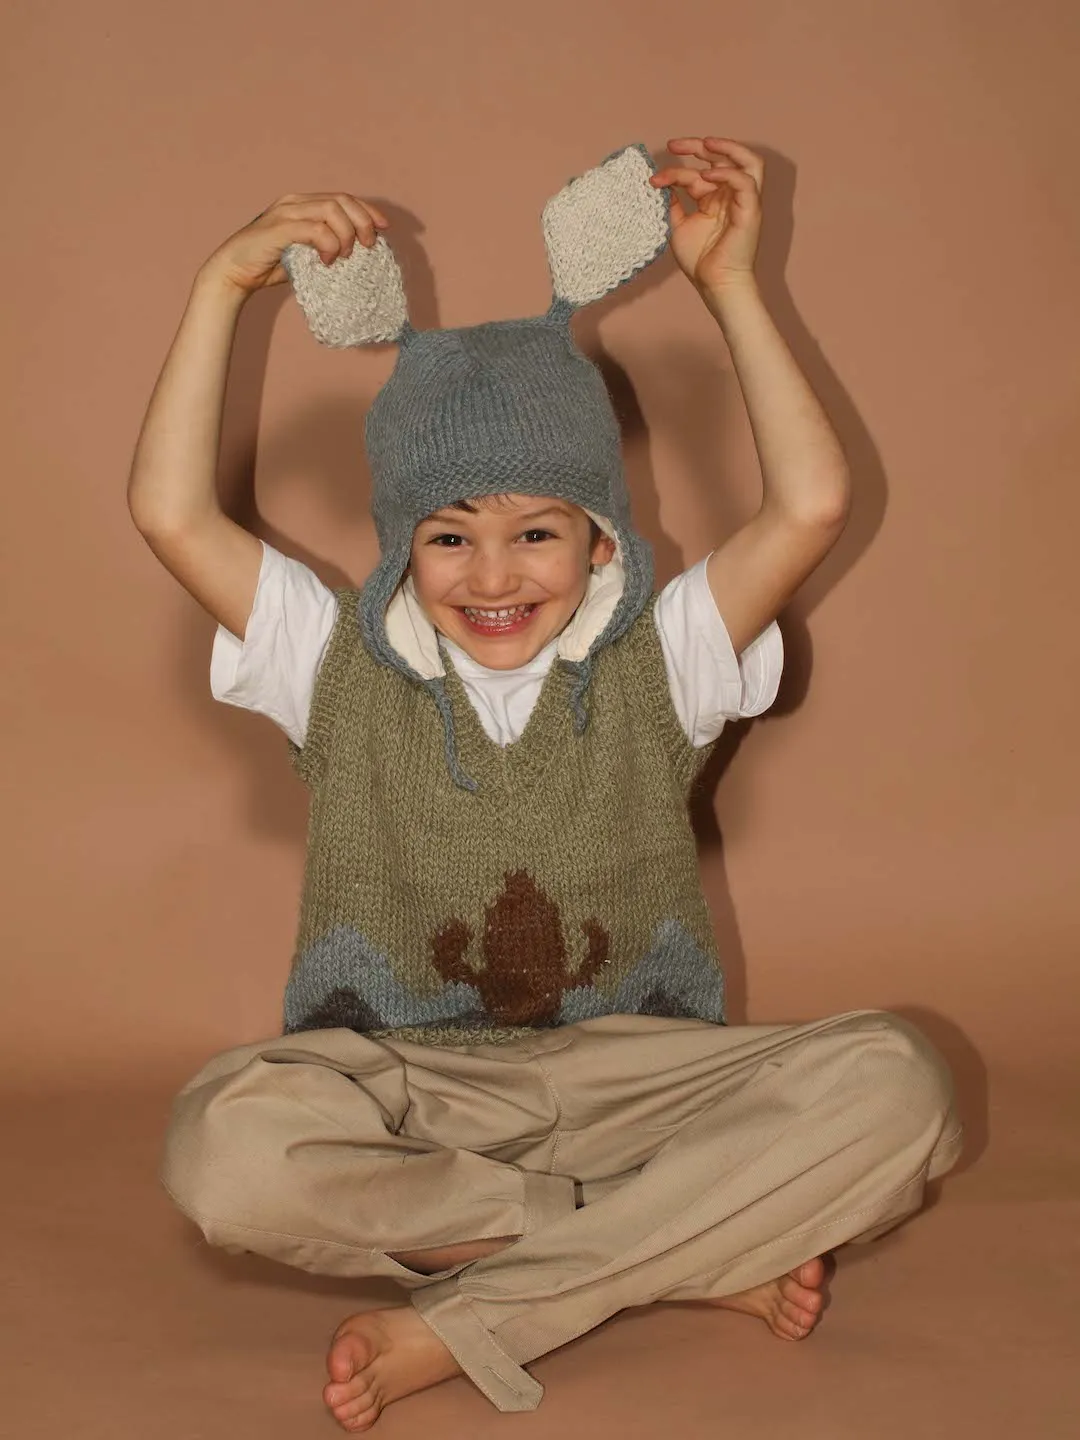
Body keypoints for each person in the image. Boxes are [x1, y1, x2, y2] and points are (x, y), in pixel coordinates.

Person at [128, 137, 963, 1434]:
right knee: (223, 1145)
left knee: (904, 1082)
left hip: (643, 1081)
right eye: (448, 535)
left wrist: (731, 284)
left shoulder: (662, 657)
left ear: (599, 537)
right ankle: (681, 1253)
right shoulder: (334, 662)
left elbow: (809, 506)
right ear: (402, 540)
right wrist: (221, 288)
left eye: (537, 533)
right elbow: (175, 515)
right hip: (404, 1088)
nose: (493, 575)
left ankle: (482, 1316)